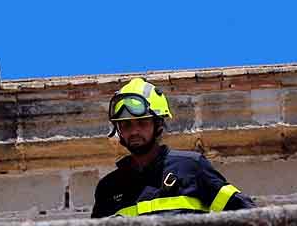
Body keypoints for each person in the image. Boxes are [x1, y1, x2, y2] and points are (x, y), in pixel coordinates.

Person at [92, 78, 256, 218]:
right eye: (126, 125)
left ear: (158, 125)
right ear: (118, 130)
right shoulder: (109, 187)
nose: (134, 131)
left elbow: (246, 213)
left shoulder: (190, 167)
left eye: (142, 123)